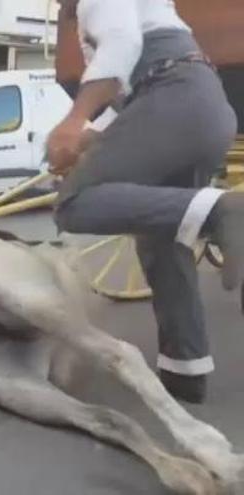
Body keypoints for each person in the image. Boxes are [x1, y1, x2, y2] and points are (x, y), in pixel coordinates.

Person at [49, 0, 243, 404]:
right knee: (161, 238)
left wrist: (73, 121)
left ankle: (222, 210)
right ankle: (185, 370)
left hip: (174, 96)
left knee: (75, 202)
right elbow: (130, 91)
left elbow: (122, 44)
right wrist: (89, 137)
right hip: (201, 106)